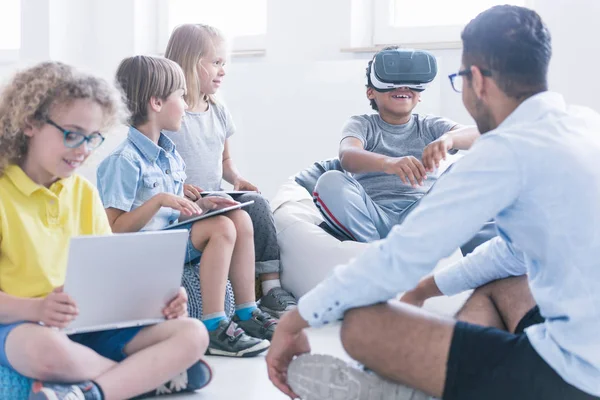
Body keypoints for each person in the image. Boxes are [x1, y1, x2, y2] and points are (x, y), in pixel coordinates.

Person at [266, 5, 600, 400]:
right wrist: (425, 289)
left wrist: (295, 320)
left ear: (477, 80)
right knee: (501, 284)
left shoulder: (506, 148)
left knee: (361, 324)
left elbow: (399, 258)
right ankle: (434, 386)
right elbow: (512, 254)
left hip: (573, 376)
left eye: (459, 80)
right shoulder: (585, 123)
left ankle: (412, 390)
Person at [0, 61, 211, 400]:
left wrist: (158, 302)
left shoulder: (82, 193)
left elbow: (108, 275)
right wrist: (36, 310)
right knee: (41, 348)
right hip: (23, 325)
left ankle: (92, 391)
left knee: (193, 333)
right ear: (29, 123)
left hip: (87, 326)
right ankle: (146, 378)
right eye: (72, 134)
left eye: (93, 138)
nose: (83, 149)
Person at [97, 55, 275, 358]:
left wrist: (201, 205)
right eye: (180, 95)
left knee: (238, 217)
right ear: (156, 102)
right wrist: (159, 201)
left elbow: (172, 211)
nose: (185, 104)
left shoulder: (170, 154)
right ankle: (213, 325)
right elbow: (114, 230)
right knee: (221, 228)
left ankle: (246, 313)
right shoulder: (123, 162)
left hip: (170, 237)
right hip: (143, 251)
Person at [163, 24, 297, 318]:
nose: (223, 70)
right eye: (216, 63)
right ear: (190, 63)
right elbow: (158, 165)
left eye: (224, 63)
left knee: (258, 205)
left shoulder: (219, 110)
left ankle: (270, 287)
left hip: (214, 197)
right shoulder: (170, 115)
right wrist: (180, 187)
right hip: (185, 203)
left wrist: (236, 179)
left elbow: (224, 161)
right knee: (233, 220)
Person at [312, 45, 480, 243]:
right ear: (371, 92)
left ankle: (418, 243)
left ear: (420, 94)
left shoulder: (428, 125)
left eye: (410, 82)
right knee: (330, 180)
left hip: (422, 215)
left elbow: (480, 135)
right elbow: (348, 155)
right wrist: (388, 163)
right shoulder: (362, 124)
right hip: (373, 216)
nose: (402, 87)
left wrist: (448, 139)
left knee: (466, 168)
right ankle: (374, 250)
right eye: (392, 80)